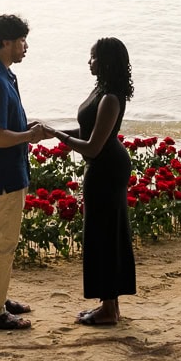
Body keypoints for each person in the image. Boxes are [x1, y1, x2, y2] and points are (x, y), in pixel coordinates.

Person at [46, 37, 137, 326]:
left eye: (93, 57)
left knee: (105, 236)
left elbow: (93, 146)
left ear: (106, 61)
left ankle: (109, 309)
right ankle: (110, 306)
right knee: (103, 234)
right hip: (104, 165)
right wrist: (52, 131)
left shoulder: (111, 98)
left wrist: (58, 136)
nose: (89, 62)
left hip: (107, 169)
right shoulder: (102, 90)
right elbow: (87, 130)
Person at [0, 13, 50, 331]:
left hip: (3, 171)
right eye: (21, 41)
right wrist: (28, 136)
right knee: (2, 242)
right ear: (6, 43)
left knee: (2, 241)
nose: (25, 47)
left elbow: (2, 128)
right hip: (2, 174)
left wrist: (25, 128)